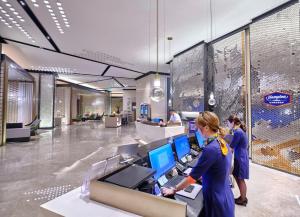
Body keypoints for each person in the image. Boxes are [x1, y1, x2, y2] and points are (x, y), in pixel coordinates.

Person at [162, 111, 234, 217]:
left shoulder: (211, 149)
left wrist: (173, 190)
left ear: (206, 128)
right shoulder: (222, 142)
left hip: (216, 202)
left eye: (198, 128)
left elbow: (191, 179)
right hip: (226, 196)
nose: (197, 131)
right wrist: (204, 175)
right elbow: (219, 168)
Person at [227, 115, 249, 206]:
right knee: (237, 176)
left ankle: (243, 199)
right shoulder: (239, 130)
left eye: (228, 123)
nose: (227, 125)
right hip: (241, 156)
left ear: (232, 122)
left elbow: (231, 147)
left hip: (240, 158)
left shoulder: (238, 132)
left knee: (240, 179)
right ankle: (242, 197)